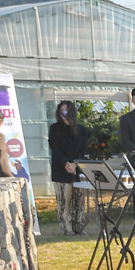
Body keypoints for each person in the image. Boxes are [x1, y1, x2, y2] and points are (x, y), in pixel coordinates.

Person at [48, 100, 90, 235]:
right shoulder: (55, 129)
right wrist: (66, 163)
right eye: (61, 111)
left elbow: (84, 149)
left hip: (77, 169)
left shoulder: (81, 129)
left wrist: (75, 164)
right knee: (64, 200)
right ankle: (66, 226)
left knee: (78, 199)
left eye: (66, 110)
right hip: (61, 169)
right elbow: (55, 149)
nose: (64, 113)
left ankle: (78, 225)